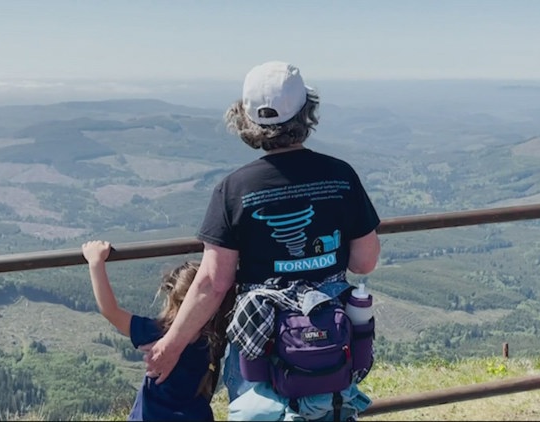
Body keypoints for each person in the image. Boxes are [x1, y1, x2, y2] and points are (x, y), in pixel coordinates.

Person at [142, 61, 381, 421]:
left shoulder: (234, 189)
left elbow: (213, 281)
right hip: (328, 337)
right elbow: (364, 262)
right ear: (307, 112)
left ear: (247, 119)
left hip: (259, 339)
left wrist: (171, 346)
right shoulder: (340, 176)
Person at [81, 240, 234, 421]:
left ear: (172, 297)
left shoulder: (158, 334)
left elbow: (110, 311)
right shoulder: (215, 337)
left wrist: (95, 262)